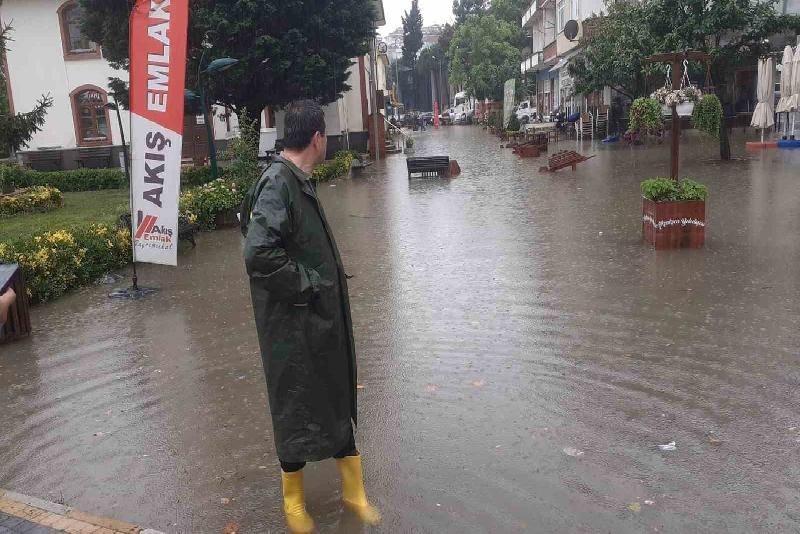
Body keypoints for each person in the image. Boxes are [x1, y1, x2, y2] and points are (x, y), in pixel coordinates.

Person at [241, 100, 380, 533]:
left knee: (338, 396)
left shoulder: (296, 179)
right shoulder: (278, 183)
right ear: (317, 138)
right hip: (293, 328)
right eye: (327, 135)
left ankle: (354, 495)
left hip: (318, 323)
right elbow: (258, 252)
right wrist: (312, 286)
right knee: (295, 407)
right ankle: (294, 505)